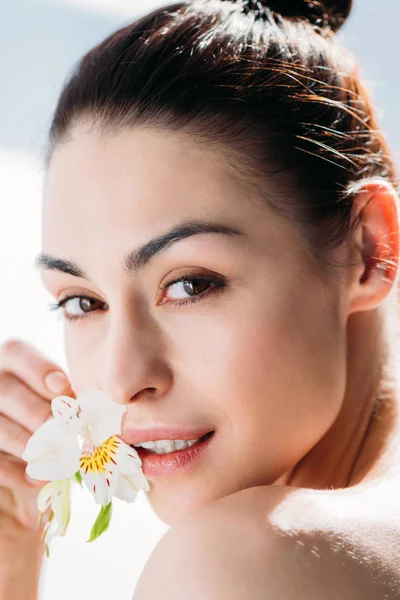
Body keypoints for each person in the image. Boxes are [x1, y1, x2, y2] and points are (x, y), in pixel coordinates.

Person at [0, 0, 399, 597]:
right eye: (83, 301)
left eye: (190, 284)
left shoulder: (240, 559)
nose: (122, 378)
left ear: (368, 248)